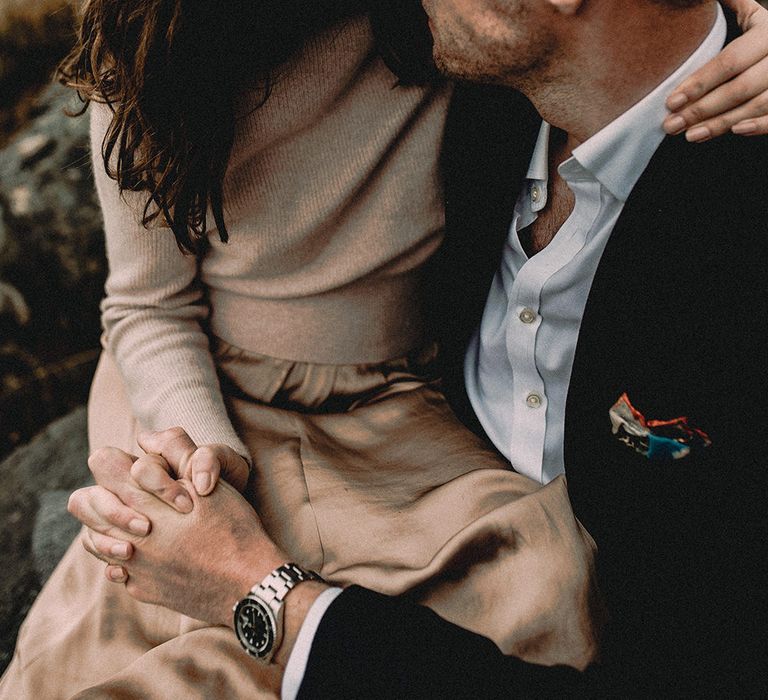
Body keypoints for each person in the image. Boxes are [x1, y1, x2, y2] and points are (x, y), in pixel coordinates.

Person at [59, 0, 767, 697]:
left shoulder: (444, 45)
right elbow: (147, 302)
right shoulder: (155, 43)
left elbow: (632, 38)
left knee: (549, 599)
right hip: (216, 399)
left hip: (397, 405)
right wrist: (208, 468)